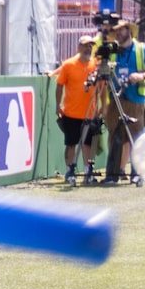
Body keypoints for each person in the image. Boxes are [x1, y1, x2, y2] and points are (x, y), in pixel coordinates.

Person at [101, 16, 145, 185]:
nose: (119, 33)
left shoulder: (141, 49)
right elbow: (104, 73)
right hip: (115, 99)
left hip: (135, 99)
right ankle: (113, 174)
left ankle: (137, 172)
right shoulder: (112, 51)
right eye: (116, 30)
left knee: (136, 137)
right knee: (114, 137)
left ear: (129, 30)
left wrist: (141, 76)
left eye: (122, 29)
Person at [52, 33, 104, 186]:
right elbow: (59, 85)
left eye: (91, 45)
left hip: (91, 112)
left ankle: (88, 170)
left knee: (90, 143)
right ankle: (70, 170)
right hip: (71, 112)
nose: (88, 48)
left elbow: (102, 87)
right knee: (71, 143)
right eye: (86, 45)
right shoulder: (68, 65)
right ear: (79, 47)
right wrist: (58, 105)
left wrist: (102, 107)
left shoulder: (96, 65)